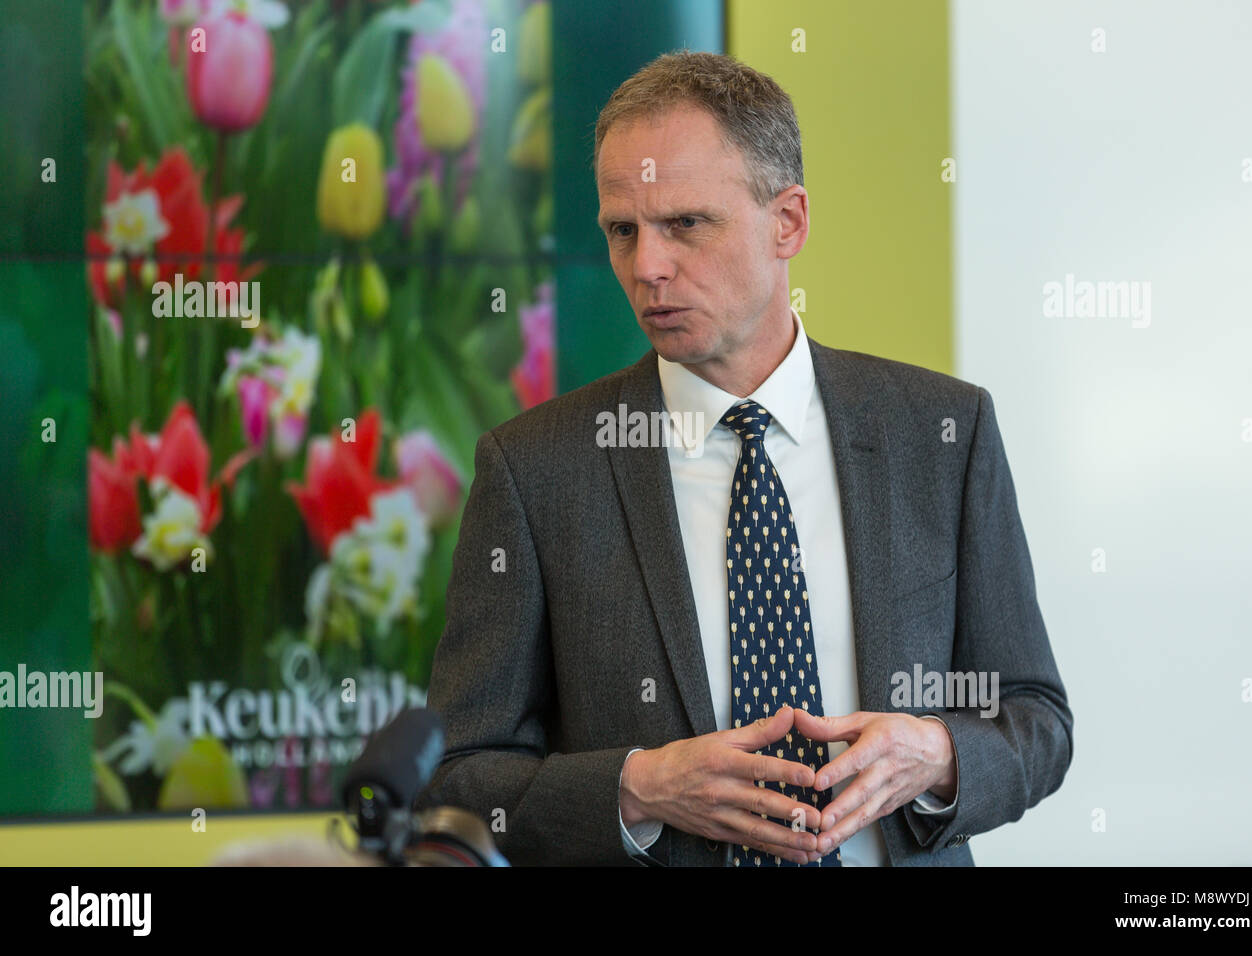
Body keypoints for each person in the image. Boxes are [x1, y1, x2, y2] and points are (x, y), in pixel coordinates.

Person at [419, 51, 1072, 866]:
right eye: (623, 231)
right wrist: (636, 786)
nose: (647, 266)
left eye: (685, 224)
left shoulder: (943, 431)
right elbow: (458, 775)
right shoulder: (537, 469)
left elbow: (1036, 719)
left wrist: (936, 756)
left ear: (787, 222)